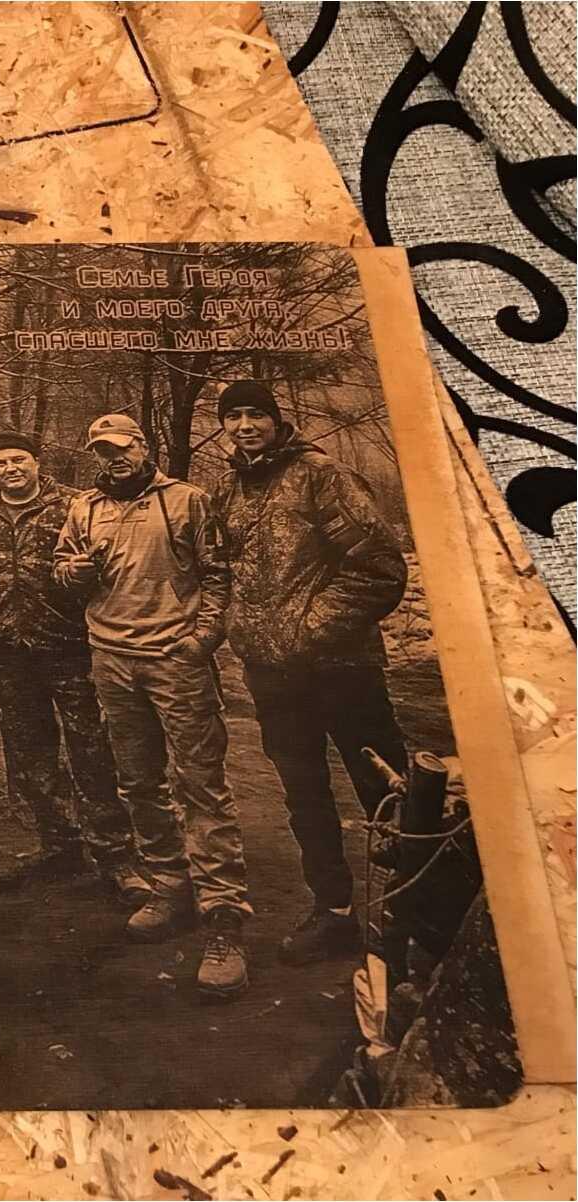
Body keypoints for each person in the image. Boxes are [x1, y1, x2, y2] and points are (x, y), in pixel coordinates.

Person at [53, 413, 250, 1000]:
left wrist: (201, 640)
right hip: (111, 658)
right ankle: (169, 883)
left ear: (142, 447)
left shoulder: (186, 500)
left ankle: (223, 916)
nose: (113, 458)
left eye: (121, 447)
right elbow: (62, 569)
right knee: (138, 781)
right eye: (102, 450)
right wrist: (73, 572)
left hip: (174, 659)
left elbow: (219, 576)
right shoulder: (84, 507)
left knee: (201, 783)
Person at [212, 380, 410, 965]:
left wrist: (307, 630)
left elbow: (379, 569)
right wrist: (243, 632)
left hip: (342, 668)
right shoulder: (226, 489)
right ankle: (335, 914)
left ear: (276, 420)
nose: (245, 426)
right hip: (273, 677)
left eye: (255, 414)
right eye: (233, 416)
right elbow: (221, 570)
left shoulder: (321, 475)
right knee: (305, 796)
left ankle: (416, 917)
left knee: (387, 792)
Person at [0, 430, 149, 903]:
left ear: (37, 462)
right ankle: (59, 844)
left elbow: (104, 571)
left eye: (19, 459)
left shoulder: (74, 505)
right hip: (5, 652)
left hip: (69, 646)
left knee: (91, 750)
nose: (10, 469)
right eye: (0, 462)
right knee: (31, 752)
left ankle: (116, 856)